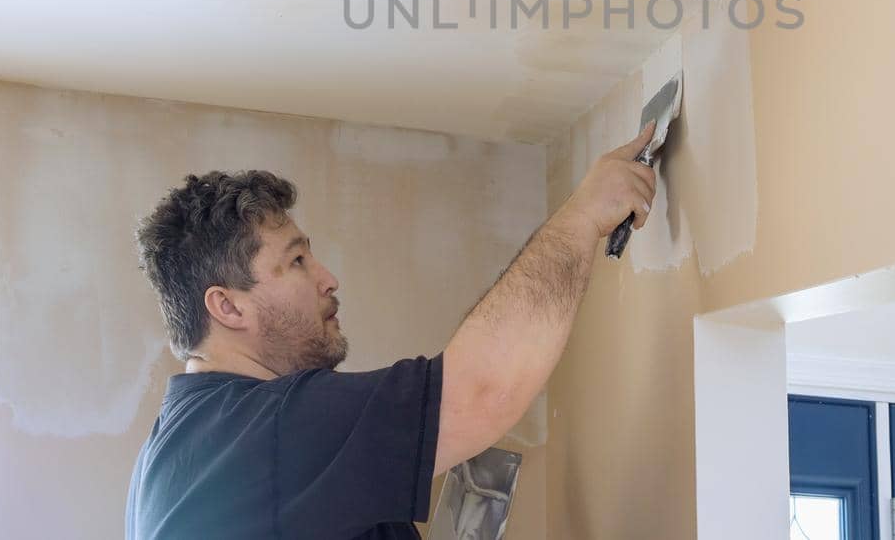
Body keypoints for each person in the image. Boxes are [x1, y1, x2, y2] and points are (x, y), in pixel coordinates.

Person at [125, 121, 659, 539]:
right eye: (296, 262)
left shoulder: (176, 451)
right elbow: (480, 390)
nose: (328, 279)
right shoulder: (271, 430)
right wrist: (586, 214)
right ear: (227, 307)